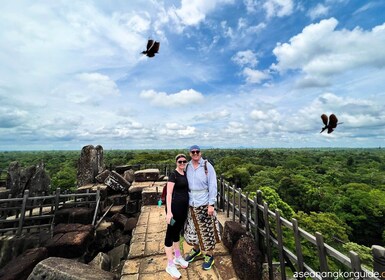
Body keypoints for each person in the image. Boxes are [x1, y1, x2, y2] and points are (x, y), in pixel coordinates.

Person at [184, 145, 221, 270]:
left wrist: (211, 204)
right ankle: (196, 249)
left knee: (207, 230)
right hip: (191, 203)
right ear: (190, 153)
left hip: (204, 202)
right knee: (193, 229)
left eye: (197, 152)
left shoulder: (206, 166)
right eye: (193, 152)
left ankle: (209, 255)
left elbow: (213, 185)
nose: (195, 154)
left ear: (200, 153)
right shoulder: (187, 166)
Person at [164, 154, 190, 279]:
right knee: (170, 234)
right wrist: (169, 212)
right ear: (176, 162)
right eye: (180, 161)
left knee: (177, 233)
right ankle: (170, 264)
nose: (182, 163)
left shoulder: (185, 174)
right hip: (174, 209)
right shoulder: (173, 174)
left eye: (184, 161)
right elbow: (169, 194)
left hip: (182, 210)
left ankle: (177, 257)